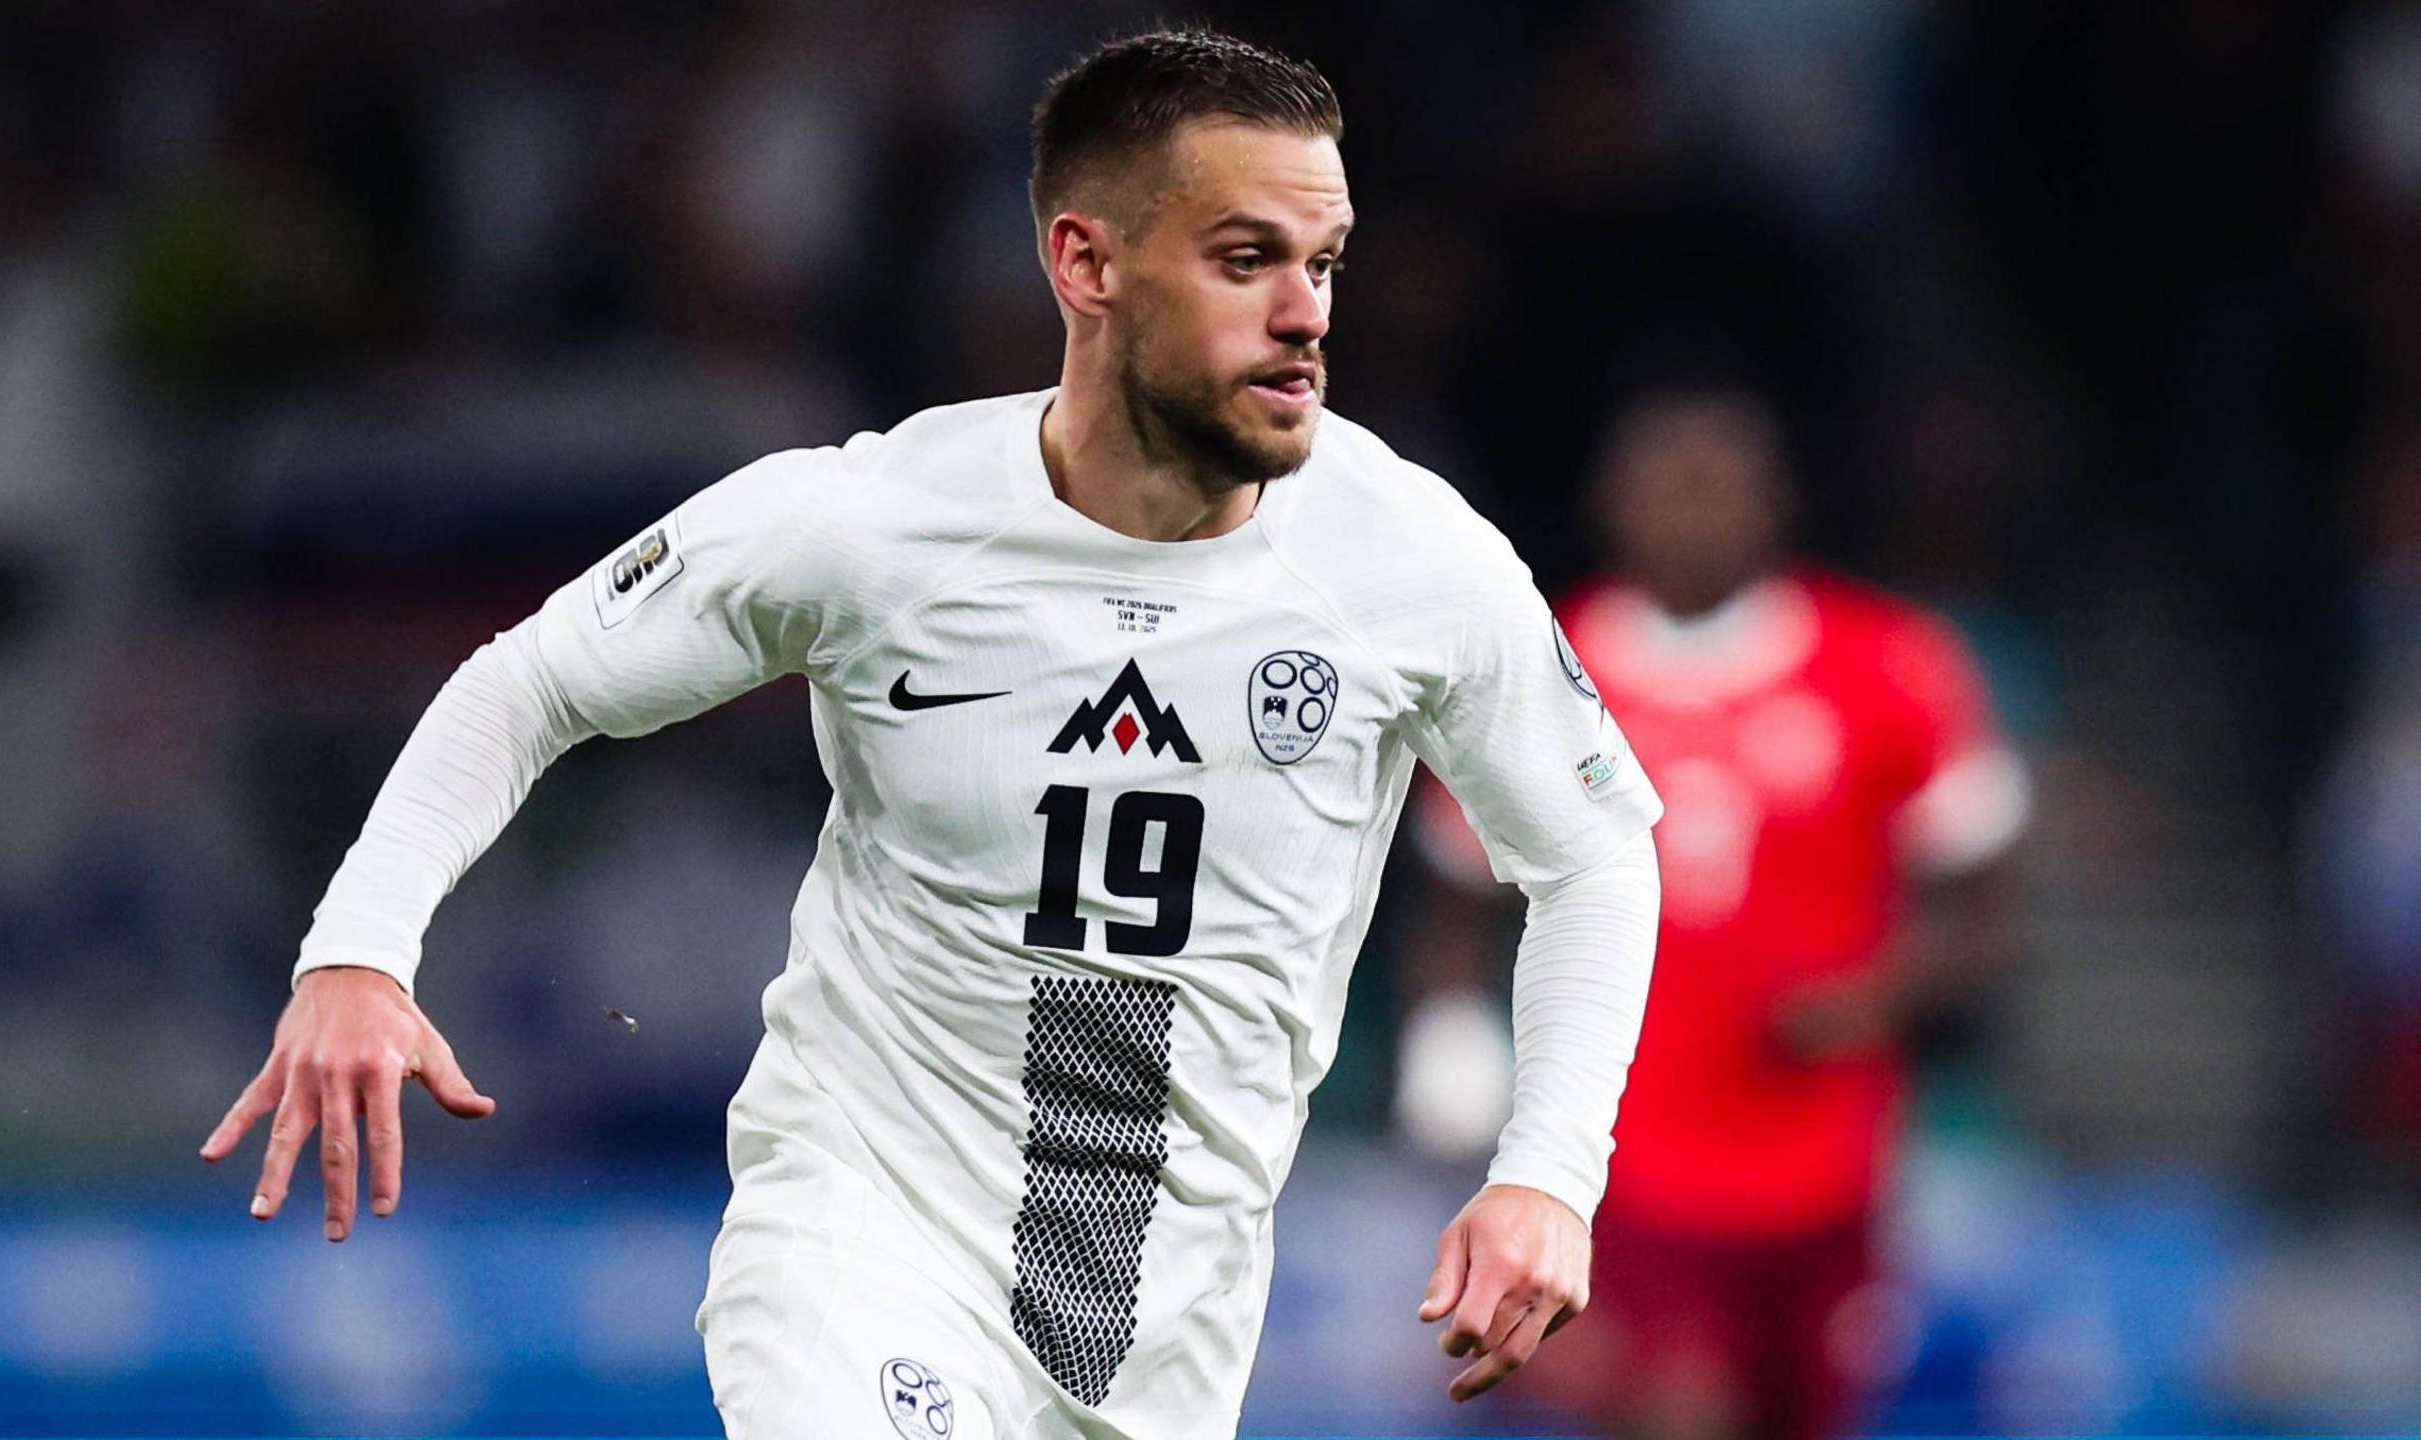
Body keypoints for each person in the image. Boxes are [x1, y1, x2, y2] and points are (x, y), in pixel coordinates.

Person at [198, 30, 1664, 1440]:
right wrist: (359, 948)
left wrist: (1547, 1174)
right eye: (1246, 260)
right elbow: (536, 683)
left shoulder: (1415, 563)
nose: (1308, 312)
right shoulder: (880, 524)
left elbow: (1594, 855)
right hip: (862, 1239)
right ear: (1083, 263)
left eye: (1323, 262)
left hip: (1166, 1329)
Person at [1397, 384, 2026, 1440]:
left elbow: (1983, 895)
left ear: (1776, 503)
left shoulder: (1888, 664)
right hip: (1623, 1146)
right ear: (1613, 502)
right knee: (1677, 1409)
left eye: (1720, 486)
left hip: (1826, 1151)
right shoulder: (1540, 665)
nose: (1694, 512)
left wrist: (1880, 995)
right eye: (1668, 486)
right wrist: (1452, 1030)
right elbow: (1458, 893)